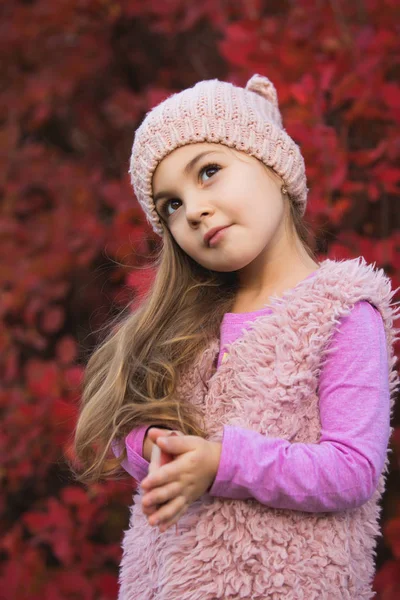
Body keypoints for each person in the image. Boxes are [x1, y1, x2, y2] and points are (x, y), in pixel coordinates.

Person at [73, 74, 400, 599]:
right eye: (170, 206)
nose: (193, 210)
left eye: (209, 172)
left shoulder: (342, 312)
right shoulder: (187, 323)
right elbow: (128, 424)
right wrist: (153, 444)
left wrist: (222, 463)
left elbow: (354, 470)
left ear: (273, 165)